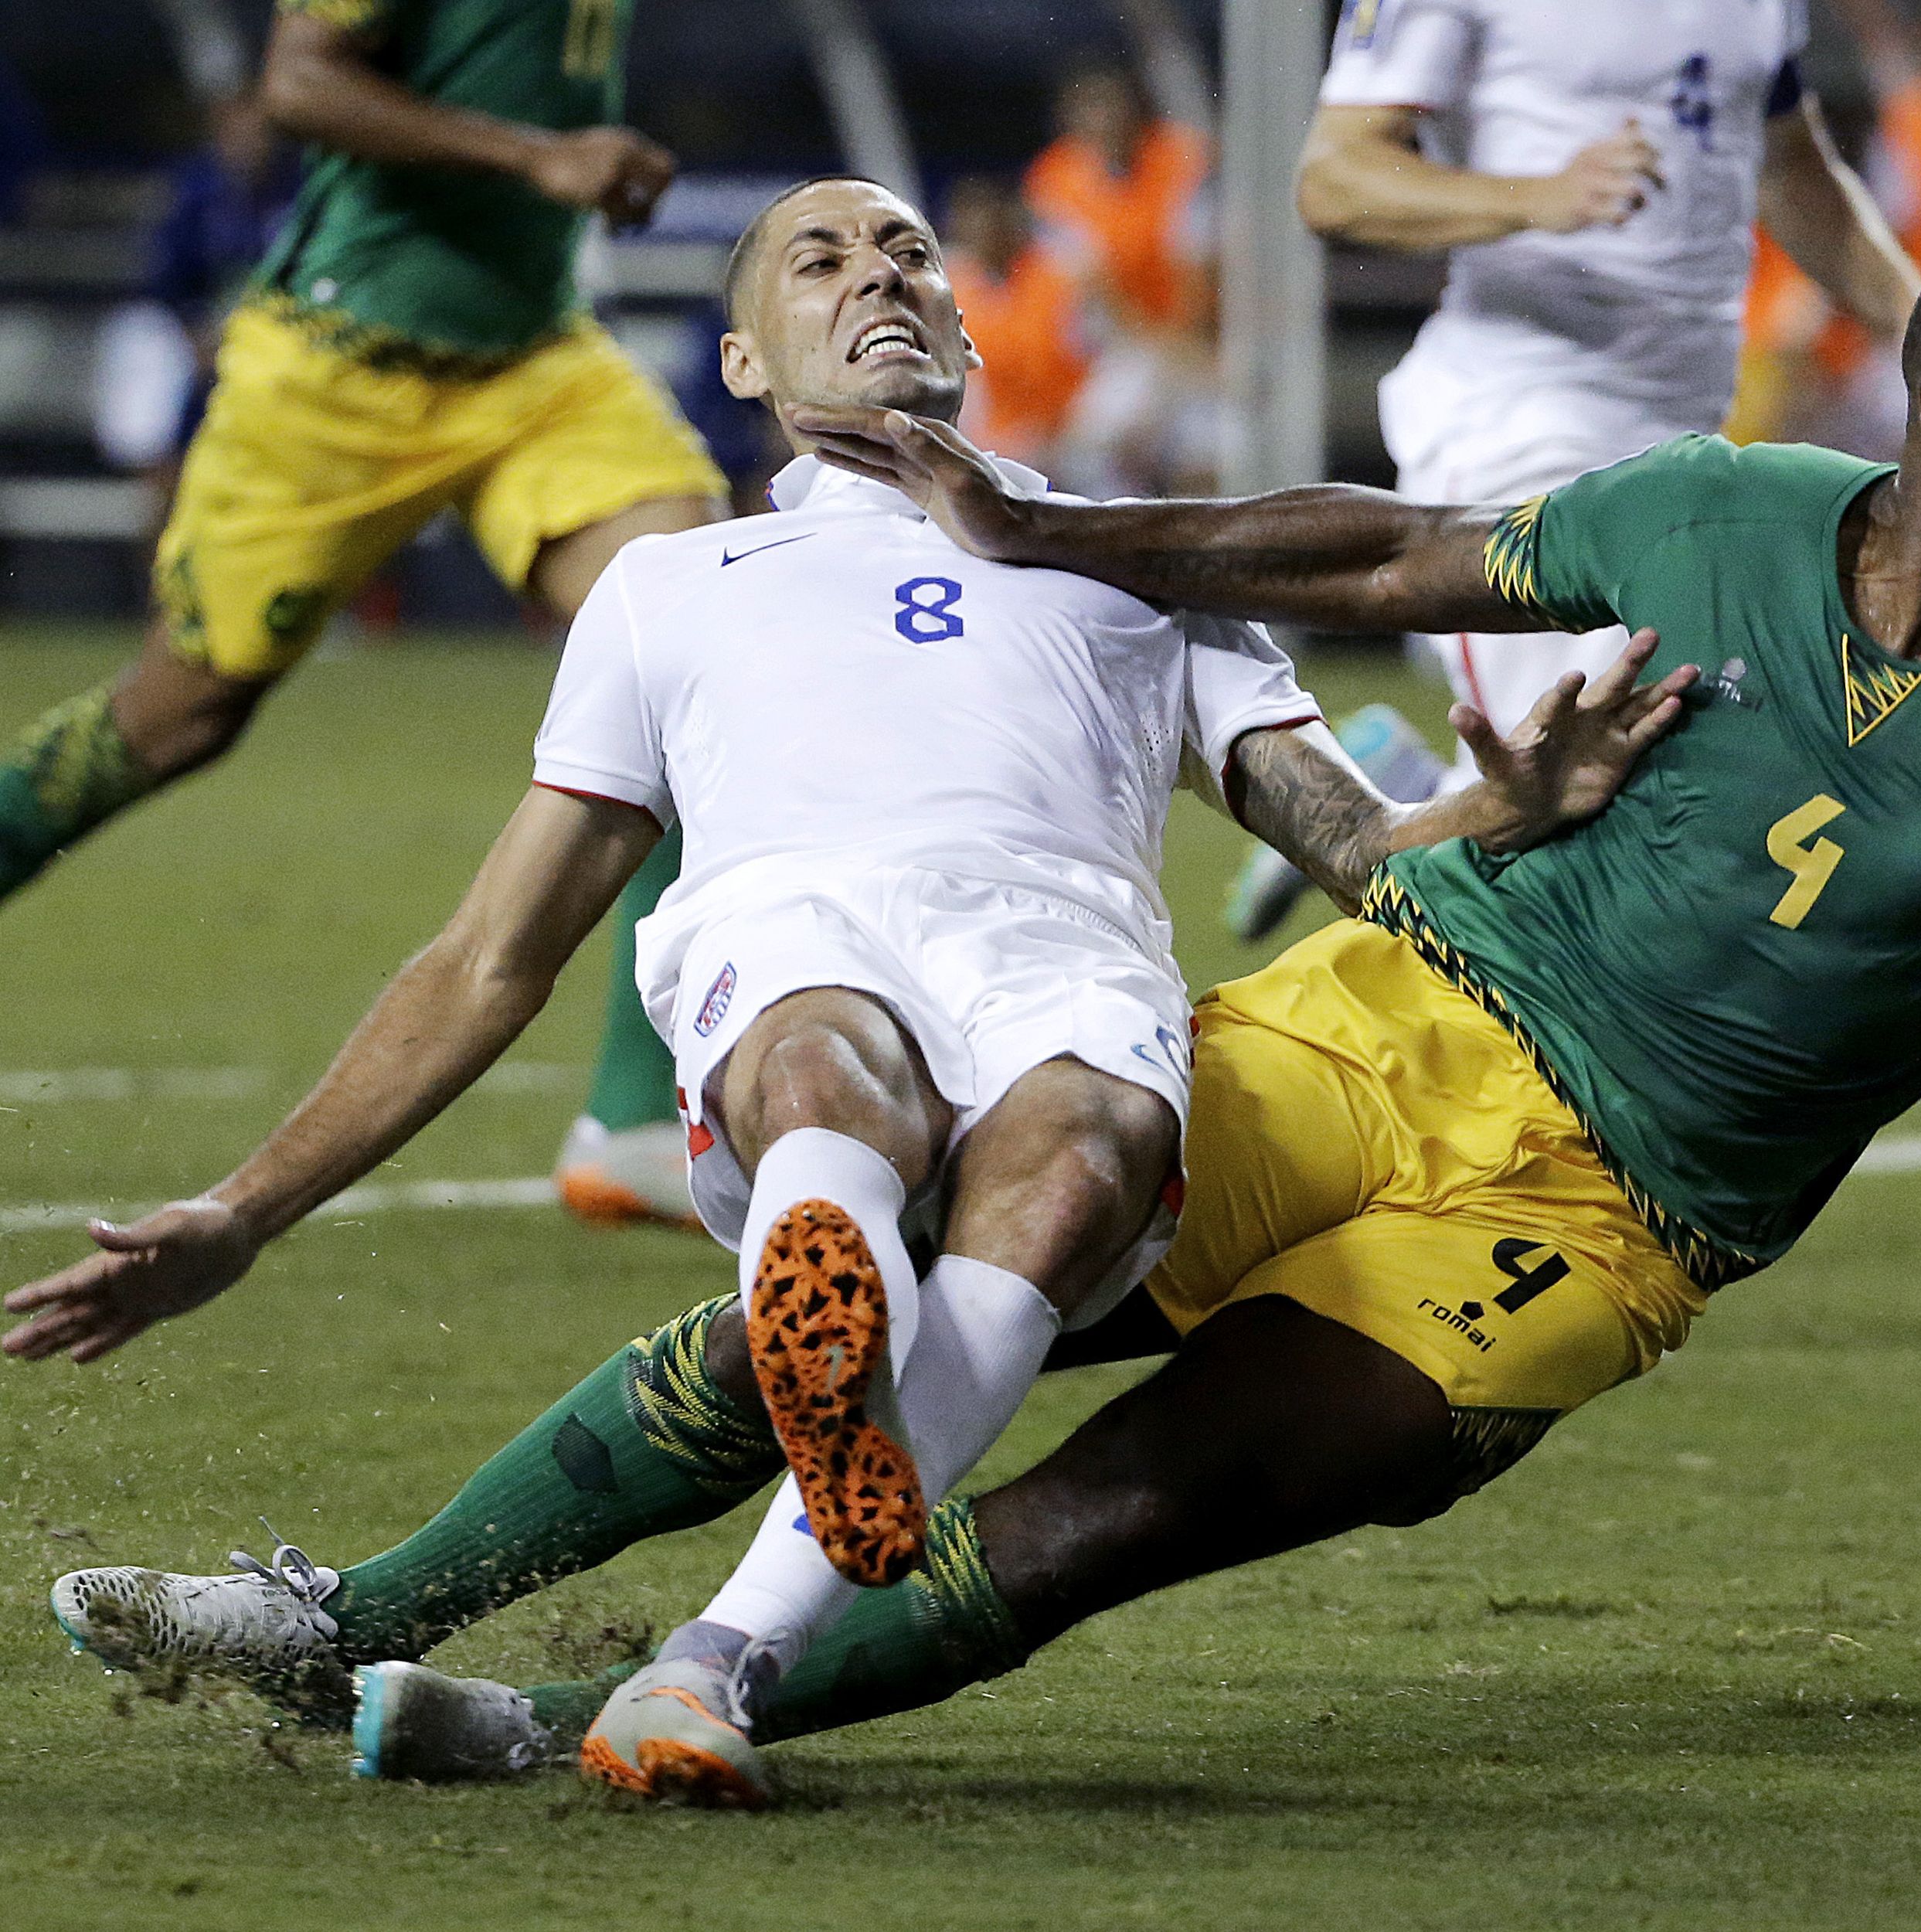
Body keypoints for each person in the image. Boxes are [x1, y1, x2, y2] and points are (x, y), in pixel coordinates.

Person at [1, 178, 1688, 1808]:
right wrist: (247, 1205)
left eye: (904, 252)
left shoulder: (1137, 561)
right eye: (814, 261)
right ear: (742, 362)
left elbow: (1354, 842)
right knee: (828, 1059)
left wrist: (1505, 809)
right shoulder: (672, 586)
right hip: (796, 936)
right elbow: (487, 957)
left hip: (1066, 964)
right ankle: (782, 1443)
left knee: (1084, 1148)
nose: (873, 274)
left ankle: (722, 1631)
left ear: (963, 324)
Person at [0, 0, 728, 1228]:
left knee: (703, 643)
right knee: (177, 716)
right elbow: (300, 81)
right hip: (342, 361)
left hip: (532, 358)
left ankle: (632, 1119)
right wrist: (539, 157)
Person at [1228, 0, 1921, 943]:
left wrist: (1918, 315)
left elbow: (1793, 170)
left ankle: (1408, 792)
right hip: (1520, 431)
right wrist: (1534, 196)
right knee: (1624, 807)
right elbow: (1334, 178)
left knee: (1676, 785)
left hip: (1690, 459)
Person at [1024, 59, 1220, 496]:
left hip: (1209, 334)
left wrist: (1188, 348)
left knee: (1211, 455)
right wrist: (1168, 350)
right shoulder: (1055, 179)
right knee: (1090, 450)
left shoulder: (1182, 156)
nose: (1104, 119)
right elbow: (1096, 290)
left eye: (1113, 105)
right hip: (1130, 343)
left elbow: (1201, 265)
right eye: (1089, 109)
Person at [944, 175, 1091, 473]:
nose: (985, 236)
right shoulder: (953, 289)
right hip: (1004, 437)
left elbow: (1102, 362)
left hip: (1075, 427)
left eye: (992, 224)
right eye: (973, 228)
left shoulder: (1059, 273)